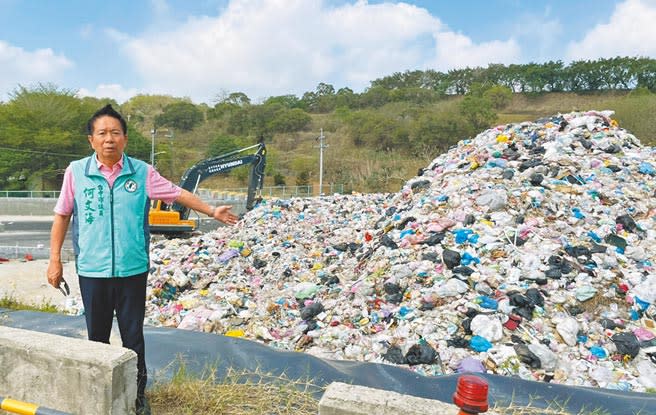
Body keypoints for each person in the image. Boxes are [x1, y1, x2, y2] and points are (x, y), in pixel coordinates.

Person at [46, 104, 238, 414]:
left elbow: (177, 193)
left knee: (133, 337)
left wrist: (211, 210)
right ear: (91, 140)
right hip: (92, 271)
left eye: (116, 133)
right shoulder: (76, 172)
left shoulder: (142, 172)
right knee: (95, 339)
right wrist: (54, 260)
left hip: (132, 270)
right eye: (102, 133)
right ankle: (99, 398)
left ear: (124, 139)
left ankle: (137, 399)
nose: (109, 139)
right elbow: (62, 216)